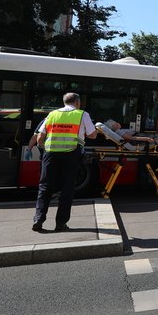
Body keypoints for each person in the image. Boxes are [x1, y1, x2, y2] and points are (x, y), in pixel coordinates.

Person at [31, 92, 97, 232]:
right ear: (77, 102)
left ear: (64, 102)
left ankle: (38, 219)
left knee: (44, 187)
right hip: (71, 155)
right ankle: (60, 224)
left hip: (50, 155)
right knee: (67, 189)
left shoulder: (52, 114)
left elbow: (40, 138)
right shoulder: (82, 114)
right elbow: (92, 134)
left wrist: (45, 150)